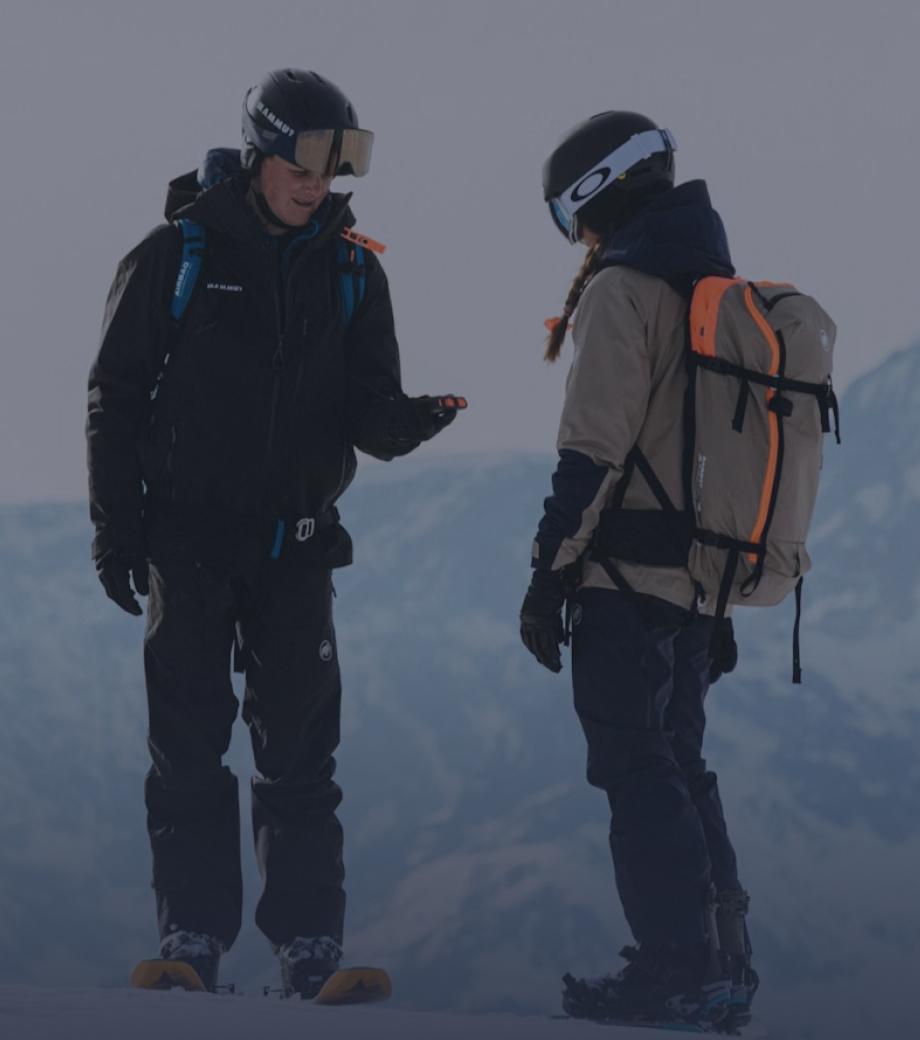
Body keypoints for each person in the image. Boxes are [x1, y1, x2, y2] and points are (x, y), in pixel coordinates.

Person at [87, 67, 462, 997]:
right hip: (187, 547)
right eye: (303, 165)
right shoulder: (175, 254)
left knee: (300, 762)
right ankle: (190, 941)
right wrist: (116, 529)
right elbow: (114, 398)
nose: (318, 185)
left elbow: (368, 412)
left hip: (297, 550)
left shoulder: (354, 271)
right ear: (260, 155)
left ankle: (309, 949)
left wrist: (406, 424)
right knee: (188, 754)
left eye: (333, 169)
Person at [519, 111, 757, 1031]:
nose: (575, 236)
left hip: (625, 579)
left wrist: (548, 575)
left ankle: (675, 971)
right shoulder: (715, 287)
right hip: (698, 582)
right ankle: (724, 967)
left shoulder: (625, 288)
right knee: (681, 764)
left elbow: (593, 451)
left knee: (634, 767)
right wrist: (718, 602)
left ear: (600, 190)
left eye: (568, 215)